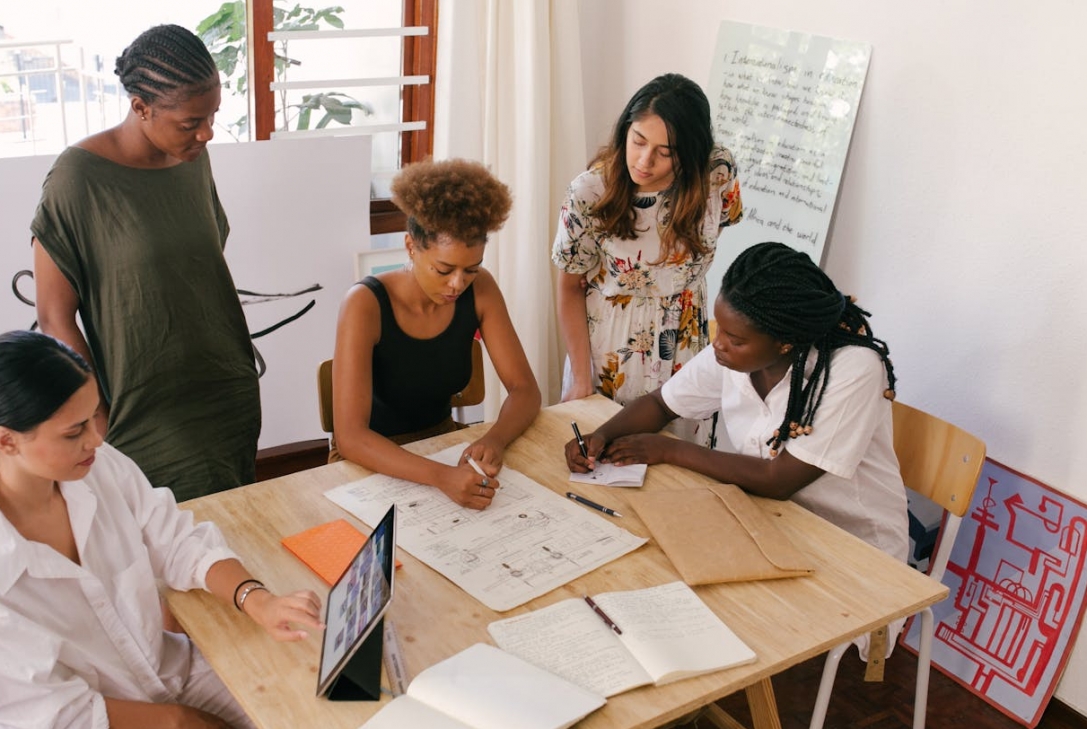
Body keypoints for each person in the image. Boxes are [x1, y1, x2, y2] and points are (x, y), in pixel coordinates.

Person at [0, 330, 323, 728]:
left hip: (175, 671)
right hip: (103, 719)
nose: (97, 440)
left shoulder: (97, 467)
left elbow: (176, 540)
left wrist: (256, 599)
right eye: (74, 432)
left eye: (94, 417)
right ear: (6, 441)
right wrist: (179, 720)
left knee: (314, 703)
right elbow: (56, 713)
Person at [566, 242, 909, 564]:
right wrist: (601, 436)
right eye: (721, 330)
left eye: (734, 338)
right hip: (773, 523)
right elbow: (661, 404)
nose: (718, 344)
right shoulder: (734, 355)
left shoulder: (853, 368)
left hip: (856, 550)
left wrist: (668, 450)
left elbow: (779, 480)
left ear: (785, 343)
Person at [31, 24, 260, 502]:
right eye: (190, 122)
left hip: (225, 387)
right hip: (144, 406)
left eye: (213, 115)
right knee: (168, 544)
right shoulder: (78, 179)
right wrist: (94, 412)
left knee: (234, 529)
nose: (206, 132)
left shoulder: (192, 156)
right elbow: (54, 315)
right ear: (141, 107)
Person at [331, 158, 541, 509]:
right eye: (444, 270)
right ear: (411, 246)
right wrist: (442, 477)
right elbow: (351, 438)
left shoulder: (481, 290)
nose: (457, 284)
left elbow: (525, 390)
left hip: (442, 446)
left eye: (471, 269)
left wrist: (495, 439)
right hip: (370, 461)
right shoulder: (364, 304)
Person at [552, 72, 742, 444]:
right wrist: (581, 378)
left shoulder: (717, 173)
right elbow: (569, 286)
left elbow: (720, 225)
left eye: (665, 152)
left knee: (681, 470)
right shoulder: (590, 191)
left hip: (687, 345)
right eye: (637, 141)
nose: (643, 160)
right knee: (604, 461)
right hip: (612, 350)